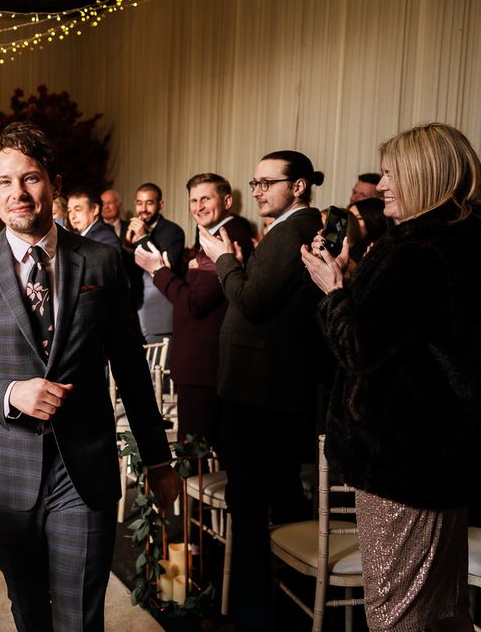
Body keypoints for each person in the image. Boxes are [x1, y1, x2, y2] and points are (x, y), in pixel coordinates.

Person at [0, 122, 180, 632]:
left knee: (80, 618)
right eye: (4, 182)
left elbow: (132, 370)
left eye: (30, 178)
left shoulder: (102, 261)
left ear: (54, 183)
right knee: (28, 613)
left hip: (82, 468)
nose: (18, 193)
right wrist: (8, 393)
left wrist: (158, 460)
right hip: (5, 470)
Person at [302, 123, 481, 632]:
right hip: (446, 459)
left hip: (402, 464)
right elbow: (417, 333)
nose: (379, 187)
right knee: (446, 612)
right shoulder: (462, 240)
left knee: (395, 616)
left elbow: (359, 348)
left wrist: (333, 291)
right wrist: (355, 281)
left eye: (388, 173)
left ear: (424, 176)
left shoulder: (417, 251)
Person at [199, 150, 326, 632]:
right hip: (267, 389)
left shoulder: (292, 230)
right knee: (279, 496)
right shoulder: (292, 229)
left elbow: (251, 300)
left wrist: (223, 259)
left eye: (266, 182)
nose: (256, 190)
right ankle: (284, 607)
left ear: (297, 186)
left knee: (251, 504)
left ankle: (252, 614)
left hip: (259, 396)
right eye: (253, 182)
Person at [134, 173, 253, 446]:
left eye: (205, 199)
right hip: (202, 363)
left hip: (205, 362)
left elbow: (194, 303)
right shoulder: (213, 236)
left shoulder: (228, 236)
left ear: (226, 201)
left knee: (195, 458)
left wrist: (158, 270)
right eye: (193, 200)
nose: (198, 206)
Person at [124, 183, 185, 343]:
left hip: (160, 309)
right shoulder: (128, 230)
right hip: (134, 308)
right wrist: (127, 246)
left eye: (149, 203)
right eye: (139, 203)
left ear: (160, 205)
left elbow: (166, 267)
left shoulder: (173, 231)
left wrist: (143, 238)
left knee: (158, 364)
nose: (143, 208)